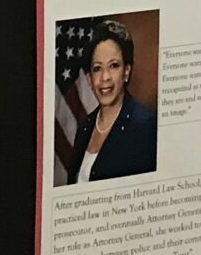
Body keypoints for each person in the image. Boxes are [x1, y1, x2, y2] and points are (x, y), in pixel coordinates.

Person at [63, 19, 157, 184]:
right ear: (90, 79)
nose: (105, 77)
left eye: (114, 66)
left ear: (126, 72)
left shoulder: (143, 124)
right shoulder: (85, 126)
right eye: (97, 68)